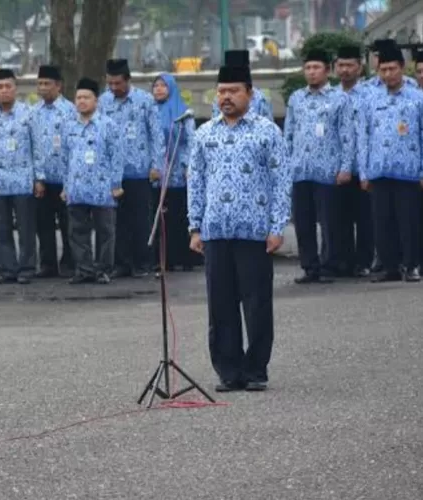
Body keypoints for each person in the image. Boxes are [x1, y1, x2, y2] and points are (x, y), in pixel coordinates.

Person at [187, 64, 291, 392]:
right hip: (216, 230)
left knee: (256, 303)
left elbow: (281, 179)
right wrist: (195, 226)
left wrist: (277, 227)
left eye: (233, 91)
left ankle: (256, 369)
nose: (226, 97)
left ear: (249, 92)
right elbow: (196, 182)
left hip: (254, 231)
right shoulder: (205, 133)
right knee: (221, 305)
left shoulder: (266, 131)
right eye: (221, 91)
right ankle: (228, 370)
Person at [284, 48, 354, 283]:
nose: (312, 73)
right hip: (300, 170)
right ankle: (309, 266)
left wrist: (346, 167)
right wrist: (286, 165)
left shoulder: (340, 99)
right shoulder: (296, 98)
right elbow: (289, 134)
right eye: (308, 68)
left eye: (316, 68)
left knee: (329, 222)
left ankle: (329, 265)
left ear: (327, 71)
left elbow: (346, 135)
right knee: (303, 222)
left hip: (328, 170)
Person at [360, 44, 423, 282]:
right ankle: (390, 267)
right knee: (382, 221)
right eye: (383, 70)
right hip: (379, 170)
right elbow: (363, 136)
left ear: (402, 68)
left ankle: (411, 265)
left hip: (408, 170)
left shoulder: (417, 98)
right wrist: (364, 171)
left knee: (408, 220)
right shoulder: (370, 99)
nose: (387, 74)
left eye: (392, 69)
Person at [99, 58, 165, 278]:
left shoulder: (145, 101)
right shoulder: (103, 102)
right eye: (110, 83)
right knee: (117, 221)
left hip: (139, 170)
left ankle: (143, 263)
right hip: (112, 174)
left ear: (128, 80)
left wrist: (157, 165)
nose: (114, 88)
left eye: (118, 83)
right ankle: (121, 263)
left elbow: (156, 135)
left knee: (141, 220)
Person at [0, 68, 43, 284]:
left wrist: (39, 178)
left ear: (15, 89)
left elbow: (38, 147)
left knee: (26, 228)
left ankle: (26, 268)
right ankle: (7, 269)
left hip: (23, 179)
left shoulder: (29, 114)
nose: (4, 91)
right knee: (1, 228)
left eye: (8, 87)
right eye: (0, 87)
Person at [61, 77, 122, 284]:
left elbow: (117, 157)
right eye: (78, 97)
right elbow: (65, 158)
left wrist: (116, 185)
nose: (81, 101)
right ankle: (84, 269)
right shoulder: (69, 126)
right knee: (77, 232)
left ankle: (103, 269)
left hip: (102, 188)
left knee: (105, 231)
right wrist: (65, 185)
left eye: (86, 97)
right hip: (76, 188)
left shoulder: (108, 125)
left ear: (96, 101)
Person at [32, 65, 76, 278]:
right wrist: (37, 177)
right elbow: (33, 147)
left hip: (65, 179)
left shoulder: (70, 111)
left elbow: (73, 146)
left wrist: (70, 181)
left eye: (47, 84)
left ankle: (70, 262)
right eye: (40, 84)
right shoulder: (34, 112)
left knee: (69, 224)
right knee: (44, 225)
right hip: (43, 179)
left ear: (58, 86)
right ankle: (48, 264)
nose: (42, 88)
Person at [334, 45, 374, 277]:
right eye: (341, 65)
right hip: (338, 167)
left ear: (360, 67)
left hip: (363, 166)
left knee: (365, 218)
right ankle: (344, 261)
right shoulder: (331, 96)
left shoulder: (369, 95)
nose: (345, 70)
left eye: (350, 65)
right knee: (341, 217)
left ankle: (365, 261)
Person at [151, 73, 196, 274]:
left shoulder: (182, 113)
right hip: (158, 174)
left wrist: (187, 165)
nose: (159, 89)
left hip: (178, 172)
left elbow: (190, 141)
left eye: (163, 86)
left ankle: (184, 257)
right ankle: (164, 259)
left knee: (180, 217)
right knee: (162, 218)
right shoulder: (150, 111)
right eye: (156, 86)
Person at [211, 50, 273, 120]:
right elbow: (215, 120)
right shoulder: (218, 99)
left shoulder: (260, 99)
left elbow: (268, 122)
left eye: (234, 91)